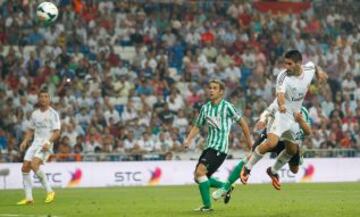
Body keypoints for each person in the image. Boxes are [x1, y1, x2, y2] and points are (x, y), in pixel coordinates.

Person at [240, 50, 327, 190]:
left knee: (292, 150)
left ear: (299, 63)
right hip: (282, 113)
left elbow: (314, 65)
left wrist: (320, 73)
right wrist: (281, 105)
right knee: (271, 143)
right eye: (285, 63)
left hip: (295, 116)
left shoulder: (308, 69)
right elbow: (279, 94)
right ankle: (247, 168)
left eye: (289, 63)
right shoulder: (283, 76)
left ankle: (272, 171)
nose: (286, 66)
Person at [212, 105, 311, 201]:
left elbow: (304, 132)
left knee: (294, 170)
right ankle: (225, 188)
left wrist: (298, 147)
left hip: (289, 141)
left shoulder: (303, 113)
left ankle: (294, 159)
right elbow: (266, 112)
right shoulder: (279, 104)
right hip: (272, 135)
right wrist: (262, 120)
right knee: (250, 157)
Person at [183, 79, 252, 212]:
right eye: (210, 88)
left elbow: (242, 123)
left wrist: (250, 143)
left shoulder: (227, 107)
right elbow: (197, 125)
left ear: (221, 92)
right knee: (198, 178)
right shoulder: (205, 108)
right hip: (209, 147)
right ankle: (226, 187)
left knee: (200, 172)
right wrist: (188, 139)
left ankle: (207, 206)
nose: (211, 90)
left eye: (215, 88)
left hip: (220, 148)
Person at [17, 87, 61, 205]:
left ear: (49, 99)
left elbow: (57, 132)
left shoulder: (53, 114)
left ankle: (50, 191)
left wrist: (48, 142)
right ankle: (29, 198)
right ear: (38, 98)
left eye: (46, 96)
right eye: (41, 97)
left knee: (34, 164)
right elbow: (31, 130)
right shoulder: (35, 114)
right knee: (25, 167)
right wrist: (25, 141)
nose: (43, 99)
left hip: (46, 144)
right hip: (35, 143)